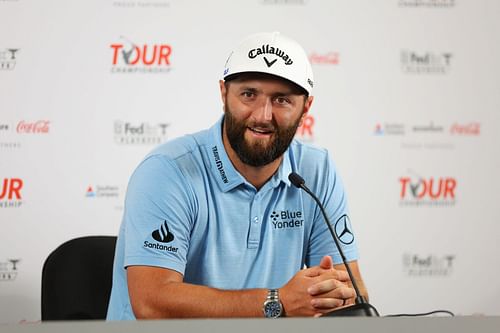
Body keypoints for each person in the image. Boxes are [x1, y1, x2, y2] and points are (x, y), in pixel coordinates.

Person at [106, 32, 369, 320]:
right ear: (223, 94)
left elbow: (352, 293)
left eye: (282, 100)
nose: (262, 115)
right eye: (249, 94)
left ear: (306, 108)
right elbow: (152, 304)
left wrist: (335, 296)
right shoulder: (168, 170)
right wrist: (276, 302)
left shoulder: (316, 170)